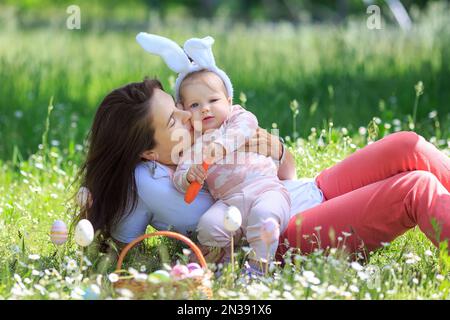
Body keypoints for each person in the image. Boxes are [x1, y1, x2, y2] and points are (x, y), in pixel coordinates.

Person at [76, 77, 450, 268]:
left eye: (177, 106)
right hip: (282, 231)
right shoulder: (151, 180)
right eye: (174, 118)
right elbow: (123, 237)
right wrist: (97, 209)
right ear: (146, 151)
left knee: (408, 144)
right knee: (414, 189)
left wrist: (276, 148)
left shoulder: (209, 135)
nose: (189, 115)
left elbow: (285, 171)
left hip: (306, 190)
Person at [173, 69, 291, 268]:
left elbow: (247, 125)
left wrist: (221, 146)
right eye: (195, 105)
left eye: (213, 100)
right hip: (229, 201)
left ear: (229, 102)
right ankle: (225, 259)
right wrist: (188, 176)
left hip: (265, 188)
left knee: (265, 215)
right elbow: (179, 176)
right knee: (208, 227)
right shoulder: (194, 146)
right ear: (185, 112)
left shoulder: (235, 120)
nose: (204, 109)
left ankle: (259, 267)